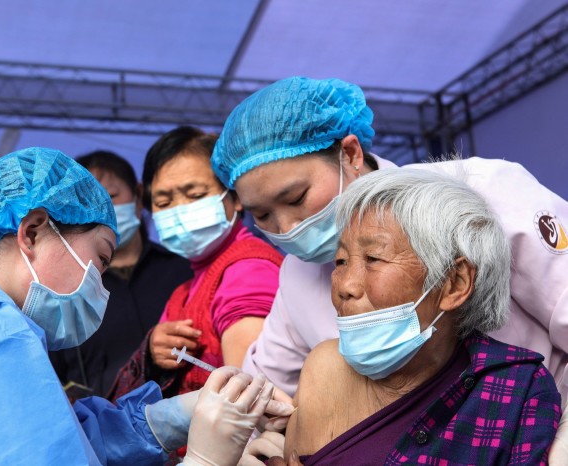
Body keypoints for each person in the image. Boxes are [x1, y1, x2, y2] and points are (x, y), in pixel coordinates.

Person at [210, 77, 568, 463]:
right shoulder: (297, 275)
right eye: (262, 216)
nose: (287, 228)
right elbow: (263, 383)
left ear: (350, 154)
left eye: (295, 197)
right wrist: (254, 436)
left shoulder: (479, 194)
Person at [0, 147, 292, 465]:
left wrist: (175, 414)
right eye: (102, 259)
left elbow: (55, 438)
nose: (101, 285)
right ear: (33, 232)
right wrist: (205, 460)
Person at [285, 168, 562, 464]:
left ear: (454, 283)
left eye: (373, 258)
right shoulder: (325, 369)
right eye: (340, 261)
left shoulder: (515, 389)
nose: (345, 286)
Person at [109, 126, 283, 401]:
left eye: (196, 195)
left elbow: (248, 402)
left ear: (235, 197)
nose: (179, 210)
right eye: (164, 201)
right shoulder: (187, 289)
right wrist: (154, 352)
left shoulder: (249, 270)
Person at [49, 150, 192, 396]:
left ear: (138, 196)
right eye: (88, 202)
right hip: (100, 429)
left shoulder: (184, 269)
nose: (103, 209)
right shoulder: (63, 291)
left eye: (112, 196)